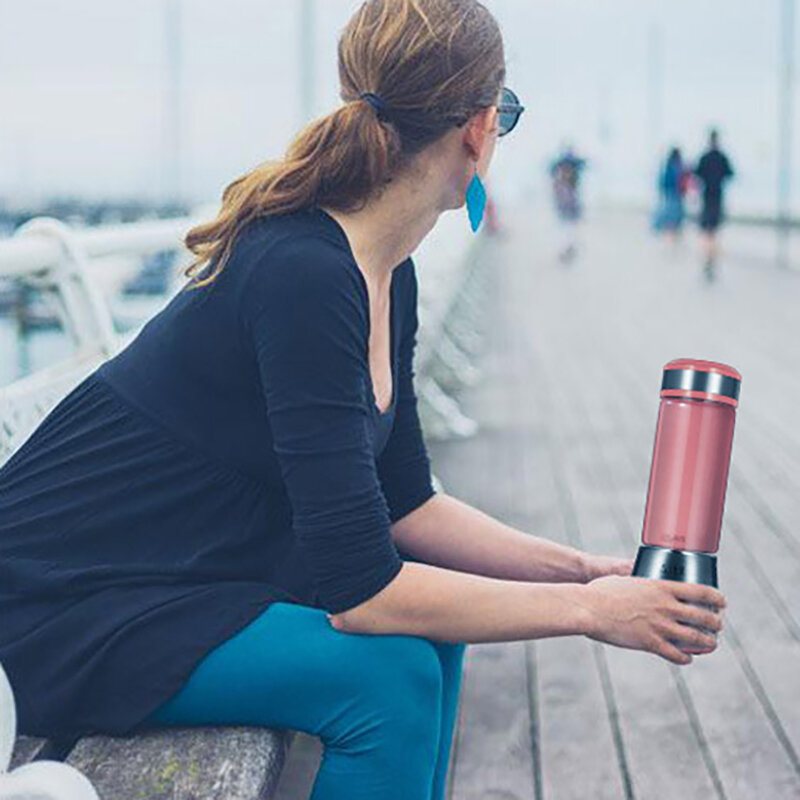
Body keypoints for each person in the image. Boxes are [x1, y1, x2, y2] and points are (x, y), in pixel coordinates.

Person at [0, 2, 726, 798]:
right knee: (389, 676)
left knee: (430, 640)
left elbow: (406, 503)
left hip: (177, 578)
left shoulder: (387, 269)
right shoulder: (303, 274)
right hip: (60, 610)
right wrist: (591, 614)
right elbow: (362, 594)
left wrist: (588, 572)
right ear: (480, 130)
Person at [693, 128, 735, 279]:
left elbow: (696, 174)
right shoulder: (722, 157)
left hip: (706, 197)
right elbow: (731, 174)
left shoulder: (704, 157)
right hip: (718, 197)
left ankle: (707, 258)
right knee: (715, 231)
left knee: (706, 231)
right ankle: (712, 260)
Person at [549, 143, 587, 263]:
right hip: (566, 210)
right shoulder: (562, 184)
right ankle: (567, 249)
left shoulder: (566, 183)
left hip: (569, 210)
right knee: (566, 230)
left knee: (569, 230)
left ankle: (568, 249)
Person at [652, 146, 690, 243]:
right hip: (676, 196)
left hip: (669, 196)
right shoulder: (678, 167)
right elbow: (682, 182)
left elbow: (662, 183)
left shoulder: (668, 166)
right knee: (674, 220)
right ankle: (673, 240)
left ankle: (671, 240)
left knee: (670, 219)